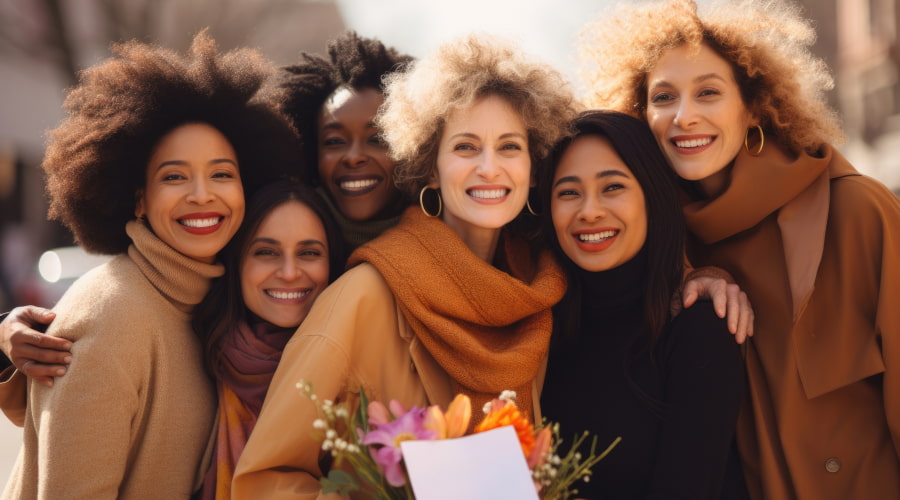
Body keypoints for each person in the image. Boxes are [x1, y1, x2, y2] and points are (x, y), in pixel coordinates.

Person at [231, 33, 576, 499]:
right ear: (430, 166)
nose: (490, 168)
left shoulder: (539, 295)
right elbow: (263, 480)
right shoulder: (364, 295)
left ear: (534, 168)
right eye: (466, 147)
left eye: (509, 147)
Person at [579, 0, 900, 498]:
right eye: (663, 97)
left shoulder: (856, 212)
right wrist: (688, 273)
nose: (684, 116)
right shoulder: (652, 246)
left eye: (708, 92)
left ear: (752, 105)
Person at [1, 32, 297, 498]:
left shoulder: (212, 302)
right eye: (174, 176)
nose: (202, 194)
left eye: (222, 173)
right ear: (139, 200)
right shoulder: (113, 313)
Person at [539, 111, 747, 499]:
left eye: (613, 187)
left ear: (652, 195)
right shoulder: (539, 332)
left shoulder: (696, 328)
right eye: (568, 192)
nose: (589, 211)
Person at [192, 180, 345, 499]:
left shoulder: (356, 367)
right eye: (266, 252)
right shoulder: (197, 352)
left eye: (309, 252)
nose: (289, 272)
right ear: (237, 262)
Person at [272, 31, 413, 250]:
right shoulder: (285, 247)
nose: (353, 157)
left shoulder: (454, 236)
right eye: (334, 141)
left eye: (377, 138)